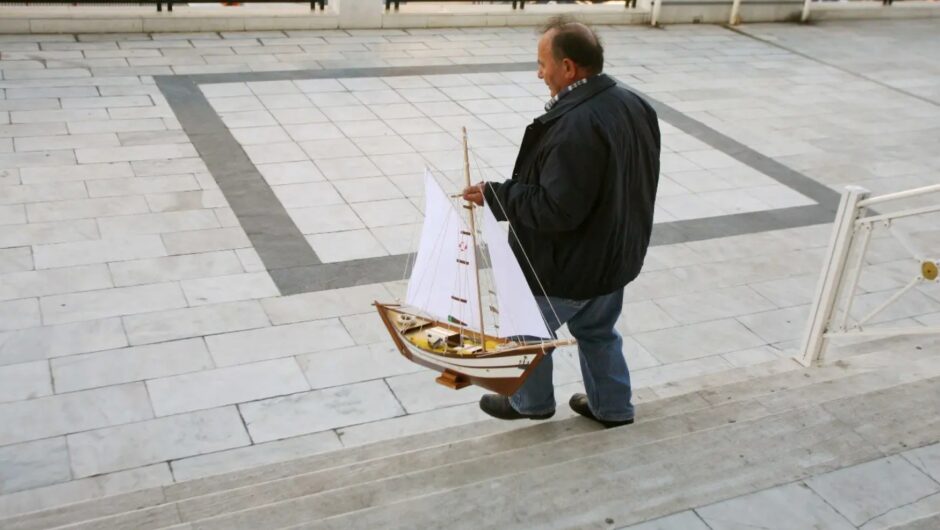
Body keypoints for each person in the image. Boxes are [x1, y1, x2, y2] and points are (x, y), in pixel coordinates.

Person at [462, 16, 660, 429]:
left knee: (526, 333)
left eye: (542, 64)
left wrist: (498, 195)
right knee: (599, 332)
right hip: (614, 256)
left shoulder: (575, 126)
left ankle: (530, 403)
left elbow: (557, 209)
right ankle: (613, 407)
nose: (539, 73)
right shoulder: (633, 103)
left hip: (566, 267)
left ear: (569, 67)